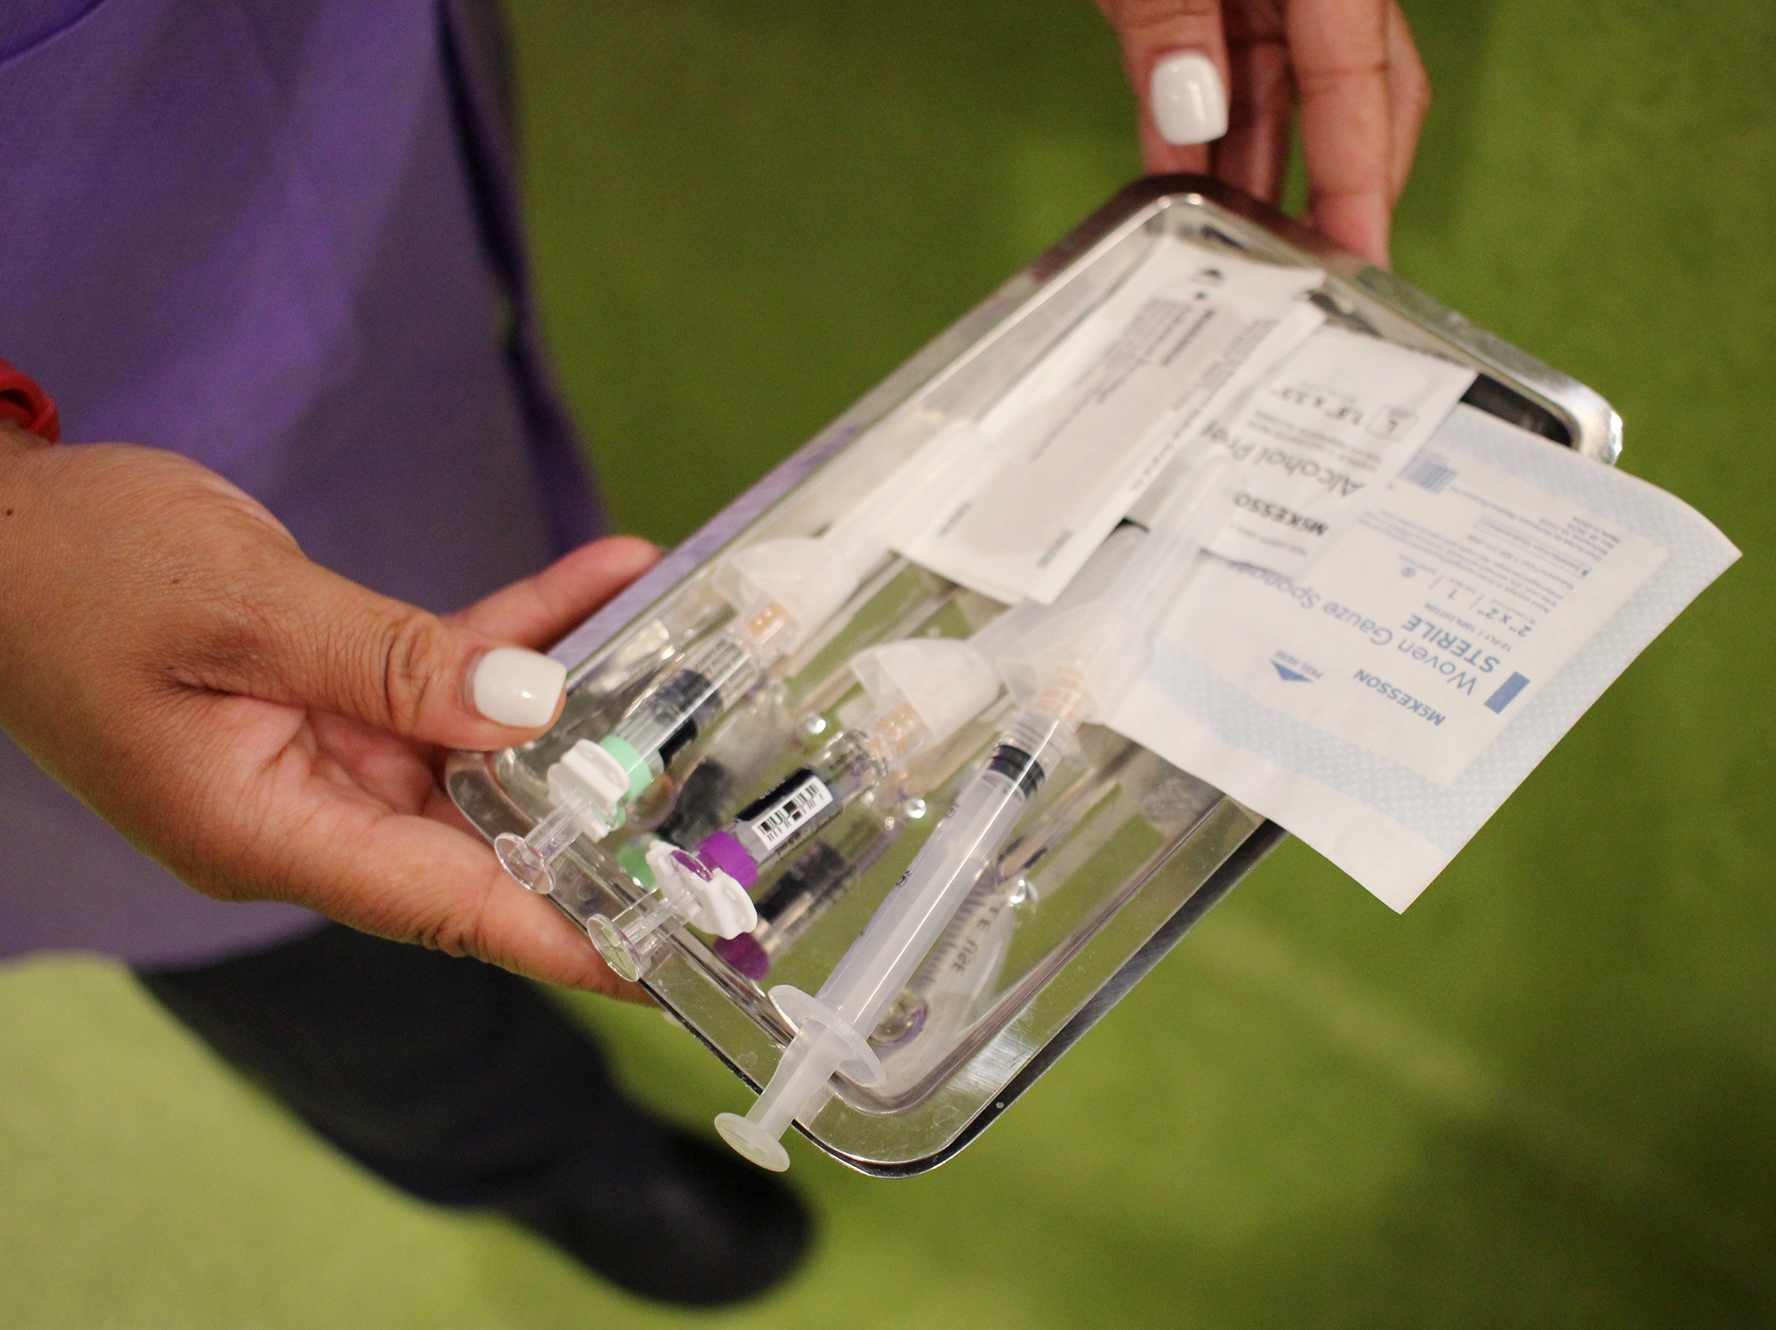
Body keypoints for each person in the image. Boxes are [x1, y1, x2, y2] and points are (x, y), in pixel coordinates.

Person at [0, 0, 1428, 1307]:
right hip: (57, 429)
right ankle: (531, 1151)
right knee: (275, 928)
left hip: (301, 140)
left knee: (486, 640)